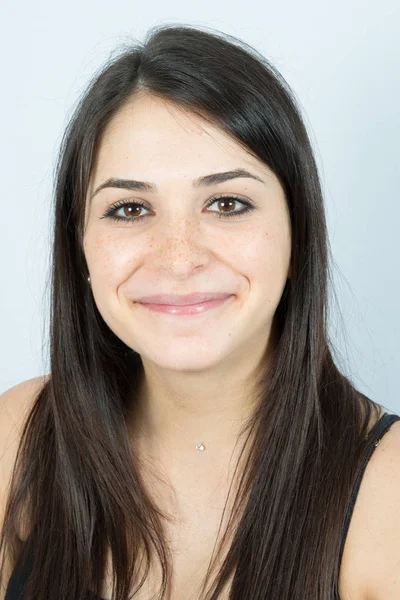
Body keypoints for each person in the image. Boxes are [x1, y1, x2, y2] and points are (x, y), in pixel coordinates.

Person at [1, 23, 399, 600]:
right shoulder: (21, 438)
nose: (179, 257)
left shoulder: (388, 494)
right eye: (131, 208)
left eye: (227, 203)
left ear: (298, 233)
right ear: (79, 246)